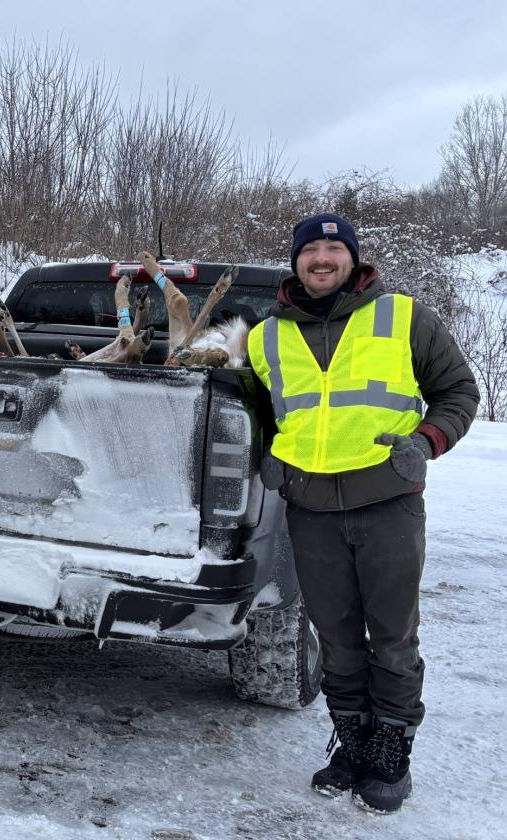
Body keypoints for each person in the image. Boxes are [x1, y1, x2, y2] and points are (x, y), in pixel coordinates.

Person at [250, 213, 479, 814]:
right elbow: (263, 413)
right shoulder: (265, 336)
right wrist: (268, 454)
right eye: (311, 249)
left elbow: (459, 391)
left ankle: (391, 754)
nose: (322, 258)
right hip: (310, 508)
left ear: (353, 258)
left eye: (334, 248)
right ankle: (352, 744)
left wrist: (426, 441)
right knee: (336, 638)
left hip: (388, 503)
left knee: (393, 637)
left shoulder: (404, 316)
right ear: (296, 261)